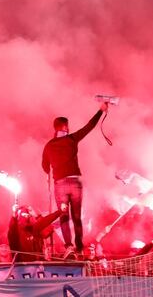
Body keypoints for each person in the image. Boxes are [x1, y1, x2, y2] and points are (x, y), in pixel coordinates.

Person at [42, 102, 107, 258]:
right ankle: (79, 247)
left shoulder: (49, 146)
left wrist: (52, 168)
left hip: (60, 185)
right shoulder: (72, 139)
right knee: (77, 217)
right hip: (75, 183)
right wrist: (101, 110)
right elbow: (89, 126)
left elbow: (45, 167)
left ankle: (69, 247)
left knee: (64, 216)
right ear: (65, 127)